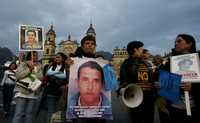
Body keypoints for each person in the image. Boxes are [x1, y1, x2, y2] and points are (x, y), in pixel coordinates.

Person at [160, 34, 200, 123]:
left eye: (179, 41)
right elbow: (163, 82)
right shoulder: (170, 61)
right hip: (175, 107)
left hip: (194, 106)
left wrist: (193, 86)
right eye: (175, 42)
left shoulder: (198, 59)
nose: (175, 44)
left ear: (189, 44)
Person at [119, 41, 155, 123]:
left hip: (149, 99)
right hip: (135, 98)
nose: (142, 51)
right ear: (136, 50)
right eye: (141, 49)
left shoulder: (146, 63)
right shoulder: (126, 64)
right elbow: (123, 82)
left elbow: (151, 80)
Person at [12, 51, 43, 123]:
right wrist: (29, 69)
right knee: (18, 113)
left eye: (36, 55)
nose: (36, 57)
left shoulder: (39, 65)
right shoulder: (23, 64)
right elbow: (18, 75)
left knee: (29, 113)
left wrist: (34, 72)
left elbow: (41, 77)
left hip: (32, 91)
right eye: (34, 55)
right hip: (22, 90)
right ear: (29, 56)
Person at [46, 52, 68, 123]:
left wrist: (54, 74)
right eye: (55, 57)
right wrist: (59, 74)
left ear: (63, 58)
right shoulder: (51, 66)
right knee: (50, 111)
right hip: (51, 91)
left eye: (58, 57)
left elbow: (66, 77)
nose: (56, 58)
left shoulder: (67, 67)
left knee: (60, 112)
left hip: (62, 93)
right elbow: (48, 75)